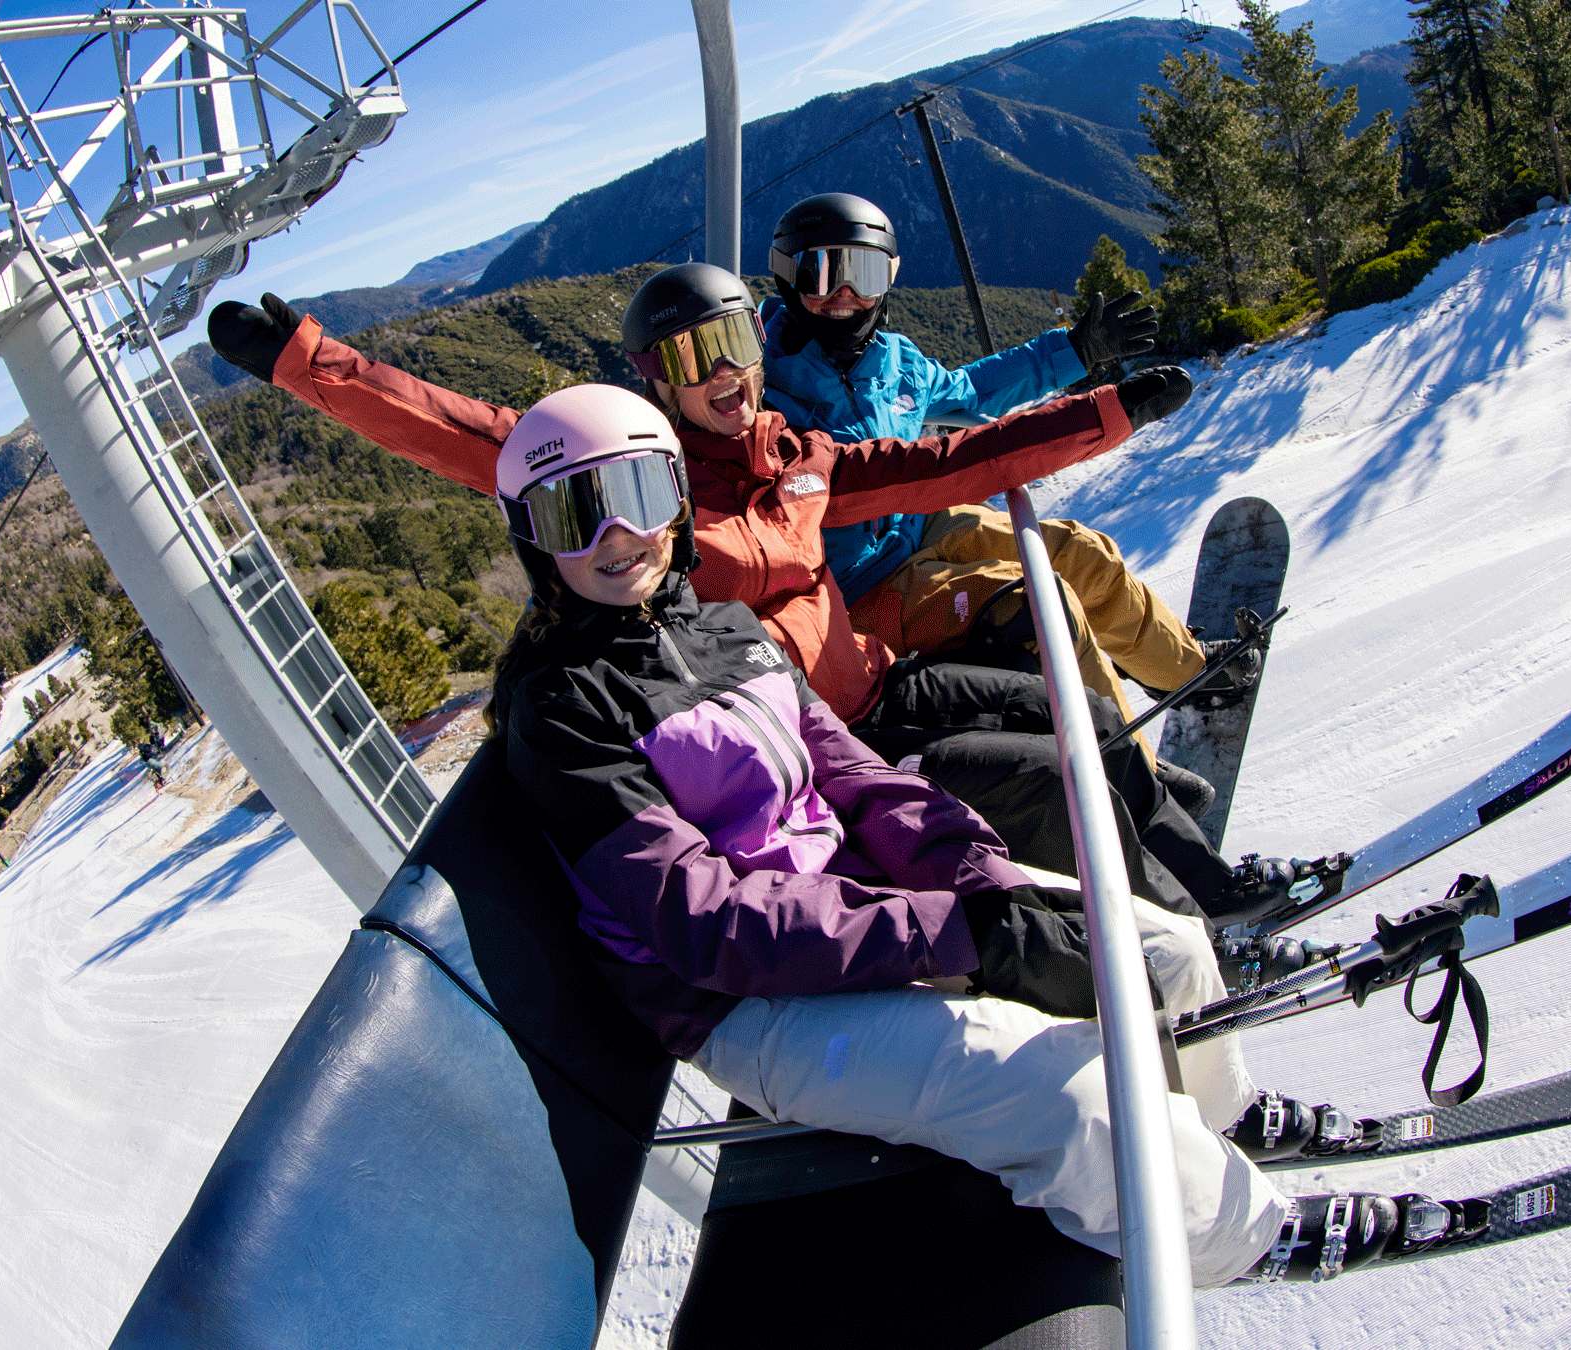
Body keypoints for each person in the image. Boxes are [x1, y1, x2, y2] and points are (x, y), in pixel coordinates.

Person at [482, 382, 1486, 1286]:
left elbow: (859, 776)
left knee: (1170, 952)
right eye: (578, 512)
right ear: (534, 539)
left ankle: (1226, 1121)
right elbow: (705, 922)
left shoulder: (725, 629)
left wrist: (985, 882)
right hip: (749, 1008)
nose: (619, 537)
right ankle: (1254, 1236)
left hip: (866, 912)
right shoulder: (562, 714)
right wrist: (961, 933)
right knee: (1070, 1088)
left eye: (642, 496)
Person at [209, 265, 1276, 925]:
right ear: (656, 379)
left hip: (878, 689)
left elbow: (952, 456)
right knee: (1043, 781)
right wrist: (310, 363)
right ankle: (1175, 927)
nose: (722, 370)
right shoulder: (643, 481)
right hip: (820, 749)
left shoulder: (803, 459)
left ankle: (1199, 878)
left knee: (1078, 712)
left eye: (734, 341)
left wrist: (1106, 411)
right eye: (690, 355)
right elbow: (470, 433)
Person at [761, 193, 1259, 750]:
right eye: (823, 273)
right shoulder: (756, 384)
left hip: (919, 528)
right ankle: (1130, 779)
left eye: (866, 273)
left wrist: (1074, 350)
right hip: (852, 589)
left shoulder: (893, 360)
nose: (845, 297)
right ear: (787, 276)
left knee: (1080, 553)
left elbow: (972, 392)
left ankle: (1187, 674)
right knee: (1045, 606)